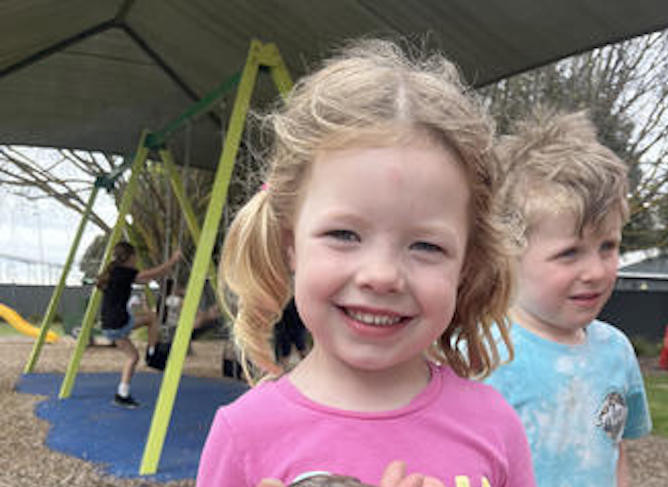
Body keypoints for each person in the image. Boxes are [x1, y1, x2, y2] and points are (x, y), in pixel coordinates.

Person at [197, 39, 534, 487]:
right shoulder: (245, 434)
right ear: (289, 244)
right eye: (344, 235)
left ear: (467, 265)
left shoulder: (495, 426)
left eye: (427, 246)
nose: (381, 276)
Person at [485, 109, 652, 486]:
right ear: (507, 251)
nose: (596, 271)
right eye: (569, 253)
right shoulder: (480, 354)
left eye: (608, 247)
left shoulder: (617, 351)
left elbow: (615, 451)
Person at [96, 241, 182, 408]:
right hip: (119, 322)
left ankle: (122, 394)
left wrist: (162, 274)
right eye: (135, 256)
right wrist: (172, 261)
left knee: (133, 357)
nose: (137, 259)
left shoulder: (114, 271)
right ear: (130, 257)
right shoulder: (124, 272)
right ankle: (152, 353)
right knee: (152, 318)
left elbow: (144, 279)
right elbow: (149, 274)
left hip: (109, 325)